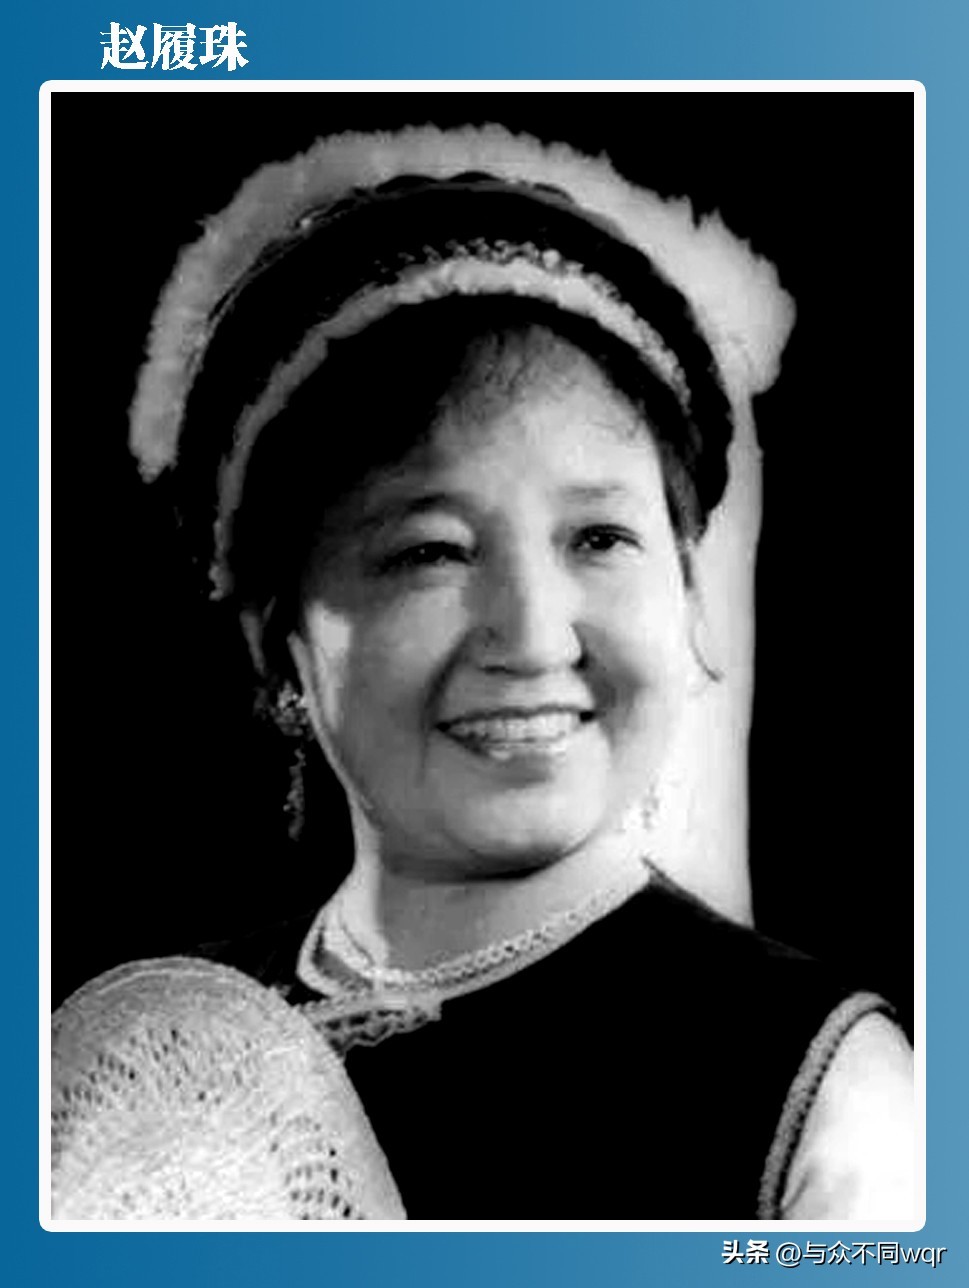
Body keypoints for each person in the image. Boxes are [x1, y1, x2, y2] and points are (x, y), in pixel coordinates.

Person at [54, 126, 914, 1221]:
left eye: (599, 538)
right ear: (281, 640)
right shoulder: (151, 1057)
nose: (534, 636)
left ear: (687, 595)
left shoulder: (821, 1084)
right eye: (432, 552)